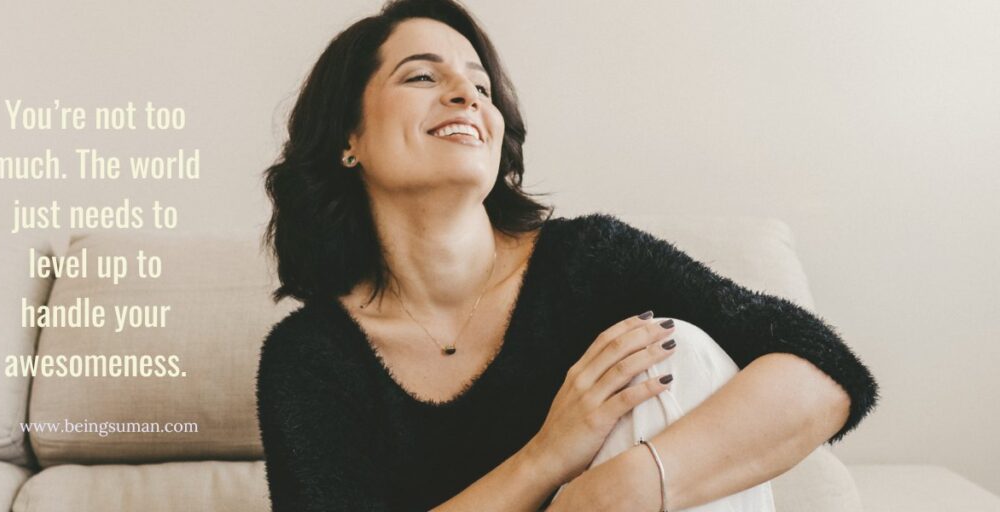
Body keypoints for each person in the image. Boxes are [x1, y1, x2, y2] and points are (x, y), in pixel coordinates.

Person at [256, 0, 880, 510]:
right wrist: (548, 458)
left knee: (675, 350)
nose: (466, 96)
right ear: (348, 139)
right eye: (423, 75)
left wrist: (629, 485)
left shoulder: (591, 260)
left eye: (480, 84)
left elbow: (828, 373)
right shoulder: (310, 358)